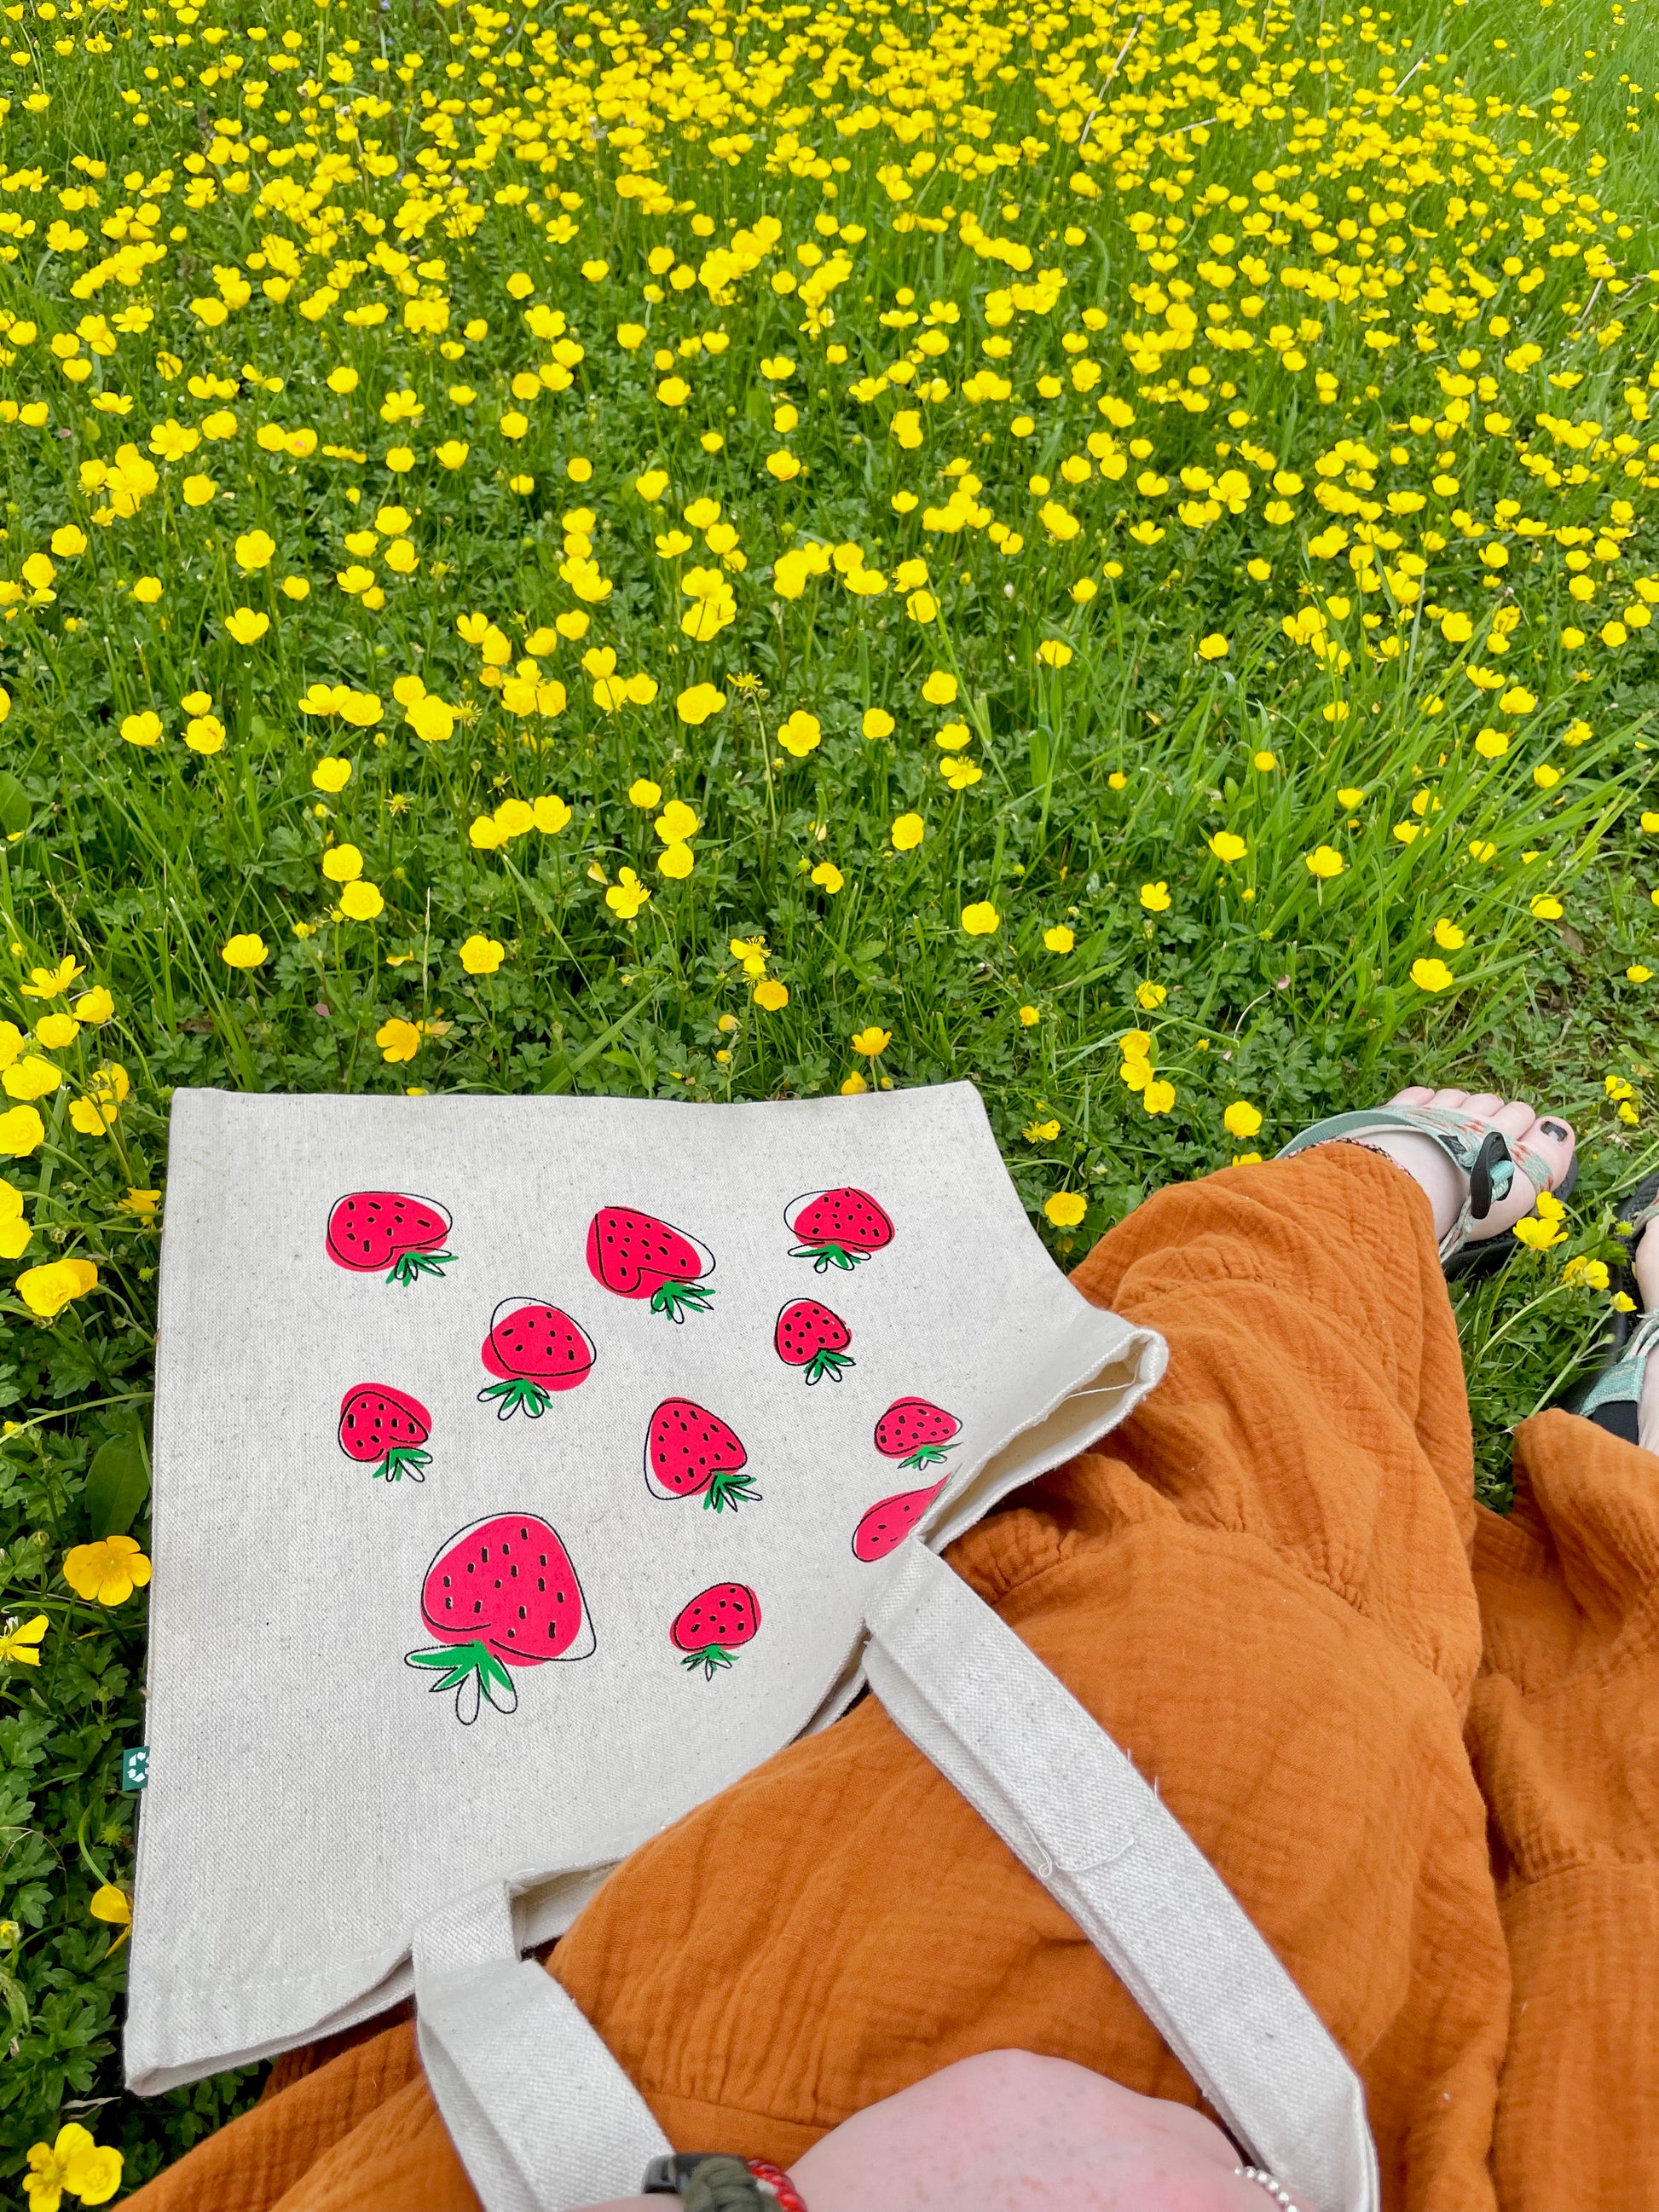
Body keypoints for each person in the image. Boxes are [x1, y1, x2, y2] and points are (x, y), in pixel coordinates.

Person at [126, 1086, 1659, 2212]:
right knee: (1588, 1913)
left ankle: (1364, 1214)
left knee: (1235, 1587)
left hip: (710, 2115)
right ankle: (1613, 1468)